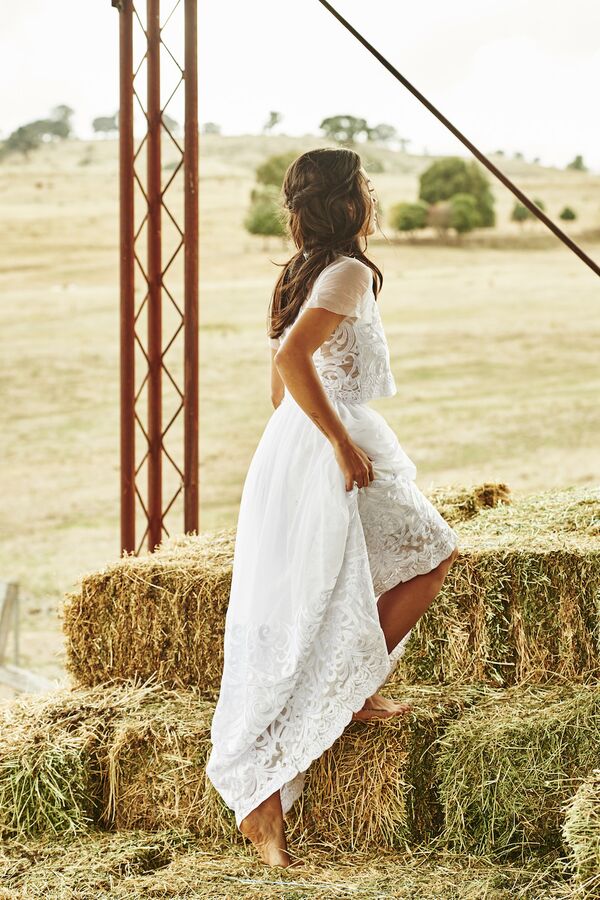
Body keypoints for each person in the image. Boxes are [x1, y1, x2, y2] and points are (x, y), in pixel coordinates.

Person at [206, 148, 460, 868]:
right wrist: (338, 446)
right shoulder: (345, 270)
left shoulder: (300, 271)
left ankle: (350, 688)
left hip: (297, 439)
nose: (373, 196)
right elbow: (291, 360)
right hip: (328, 438)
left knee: (330, 585)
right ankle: (340, 700)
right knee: (432, 552)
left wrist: (291, 454)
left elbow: (279, 379)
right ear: (349, 202)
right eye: (366, 187)